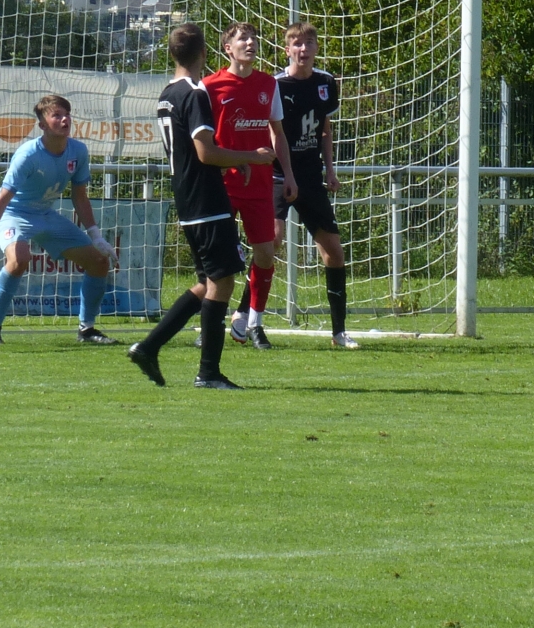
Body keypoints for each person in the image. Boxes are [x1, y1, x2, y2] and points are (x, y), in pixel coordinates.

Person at [128, 23, 276, 390]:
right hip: (206, 198)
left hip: (187, 194)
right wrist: (250, 157)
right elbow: (205, 151)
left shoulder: (167, 92)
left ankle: (149, 347)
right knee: (223, 279)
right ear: (207, 53)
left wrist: (231, 161)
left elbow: (194, 154)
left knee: (208, 280)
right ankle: (208, 372)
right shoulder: (195, 92)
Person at [0, 93, 118, 347]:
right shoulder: (28, 154)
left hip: (46, 215)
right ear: (42, 125)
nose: (64, 120)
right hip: (14, 215)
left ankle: (87, 330)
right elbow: (3, 196)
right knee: (19, 260)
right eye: (56, 115)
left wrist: (96, 236)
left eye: (67, 114)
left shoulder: (78, 151)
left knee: (98, 261)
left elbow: (79, 197)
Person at [265, 20, 361, 349]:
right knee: (271, 243)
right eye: (297, 44)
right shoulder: (276, 85)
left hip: (310, 177)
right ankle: (246, 318)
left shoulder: (325, 83)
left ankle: (338, 332)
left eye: (308, 43)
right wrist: (287, 173)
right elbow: (273, 132)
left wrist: (330, 171)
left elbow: (325, 129)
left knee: (333, 251)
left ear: (317, 48)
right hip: (279, 176)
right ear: (287, 49)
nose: (303, 49)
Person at [203, 22, 295, 351]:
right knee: (217, 262)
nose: (251, 42)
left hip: (260, 182)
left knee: (267, 253)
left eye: (253, 38)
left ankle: (252, 323)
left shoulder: (268, 85)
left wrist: (288, 174)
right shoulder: (210, 86)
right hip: (222, 183)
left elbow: (278, 134)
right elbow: (202, 141)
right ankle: (209, 324)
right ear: (228, 47)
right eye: (243, 38)